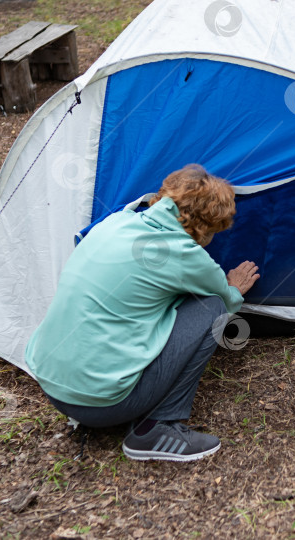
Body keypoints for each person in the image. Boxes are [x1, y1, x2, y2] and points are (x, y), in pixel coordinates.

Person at [24, 164, 260, 462]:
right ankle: (156, 429)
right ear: (206, 226)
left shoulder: (115, 221)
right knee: (211, 308)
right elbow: (226, 302)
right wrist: (235, 287)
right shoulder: (185, 253)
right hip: (102, 404)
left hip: (52, 386)